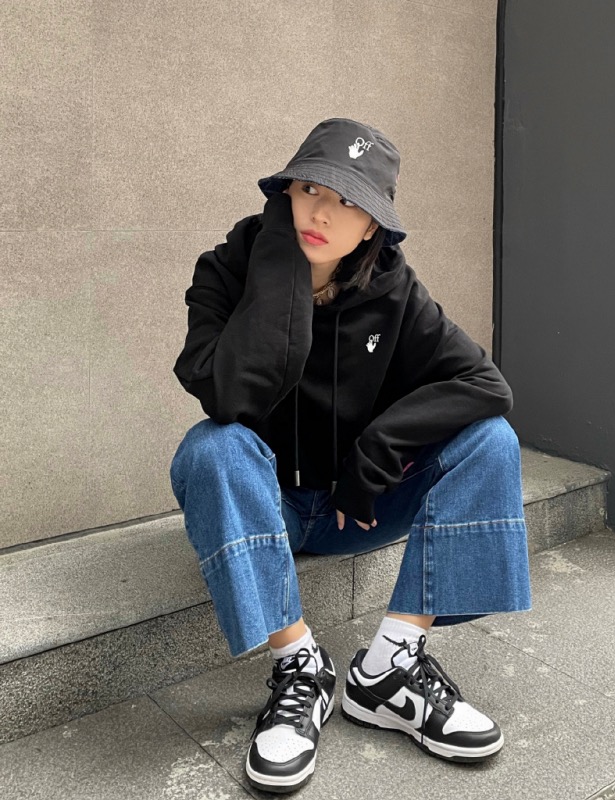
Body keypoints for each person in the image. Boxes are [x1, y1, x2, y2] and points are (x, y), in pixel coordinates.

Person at [169, 118, 532, 794]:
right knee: (210, 449)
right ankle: (299, 667)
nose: (321, 213)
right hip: (269, 508)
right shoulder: (227, 269)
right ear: (284, 193)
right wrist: (279, 275)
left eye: (347, 202)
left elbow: (487, 385)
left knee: (492, 440)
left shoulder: (394, 292)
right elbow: (223, 394)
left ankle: (390, 668)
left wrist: (375, 454)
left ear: (371, 228)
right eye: (309, 189)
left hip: (356, 509)